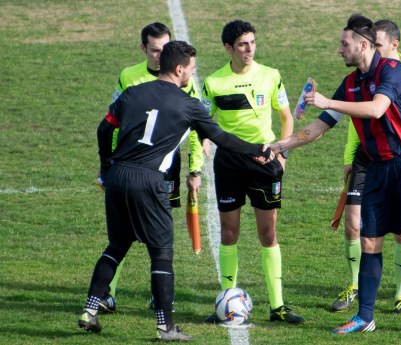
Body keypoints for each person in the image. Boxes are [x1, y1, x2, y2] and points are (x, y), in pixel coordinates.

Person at [271, 13, 401, 335]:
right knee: (369, 241)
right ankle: (365, 317)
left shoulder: (393, 71)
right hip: (377, 170)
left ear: (362, 44)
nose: (339, 50)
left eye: (344, 44)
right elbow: (317, 128)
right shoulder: (351, 83)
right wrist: (277, 145)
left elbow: (376, 108)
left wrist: (328, 100)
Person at [77, 40, 273, 341]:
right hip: (148, 180)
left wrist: (106, 167)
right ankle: (165, 326)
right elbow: (221, 137)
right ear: (179, 69)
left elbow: (104, 129)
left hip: (117, 176)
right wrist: (257, 149)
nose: (192, 75)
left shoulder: (131, 93)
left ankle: (89, 310)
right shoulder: (189, 104)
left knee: (116, 246)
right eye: (192, 70)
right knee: (161, 254)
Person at [330, 19, 401, 315]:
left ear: (393, 45)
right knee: (361, 231)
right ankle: (360, 301)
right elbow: (354, 118)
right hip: (369, 159)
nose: (376, 51)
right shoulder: (358, 79)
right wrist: (347, 155)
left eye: (379, 45)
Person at [98, 22, 206, 314]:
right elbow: (112, 124)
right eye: (155, 50)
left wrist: (195, 169)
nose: (161, 55)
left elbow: (196, 129)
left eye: (165, 49)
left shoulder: (186, 81)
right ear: (144, 49)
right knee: (120, 236)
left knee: (159, 232)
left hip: (165, 163)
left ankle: (157, 295)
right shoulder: (128, 77)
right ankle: (108, 294)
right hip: (129, 163)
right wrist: (110, 163)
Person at [201, 19, 303, 324]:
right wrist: (204, 140)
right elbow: (204, 119)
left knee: (268, 233)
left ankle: (278, 306)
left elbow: (286, 117)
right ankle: (226, 301)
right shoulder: (214, 82)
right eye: (243, 44)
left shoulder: (271, 76)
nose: (249, 49)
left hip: (264, 161)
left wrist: (282, 153)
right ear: (228, 48)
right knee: (229, 233)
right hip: (229, 163)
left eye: (253, 42)